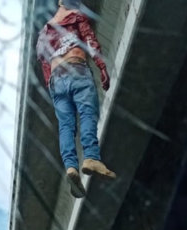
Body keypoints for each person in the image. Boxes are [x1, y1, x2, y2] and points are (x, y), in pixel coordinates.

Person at [36, 0, 116, 200]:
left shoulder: (45, 32)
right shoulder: (76, 16)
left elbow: (45, 65)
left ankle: (71, 167)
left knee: (66, 126)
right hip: (76, 68)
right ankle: (91, 158)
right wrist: (102, 67)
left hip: (56, 81)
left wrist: (52, 88)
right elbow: (90, 42)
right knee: (88, 113)